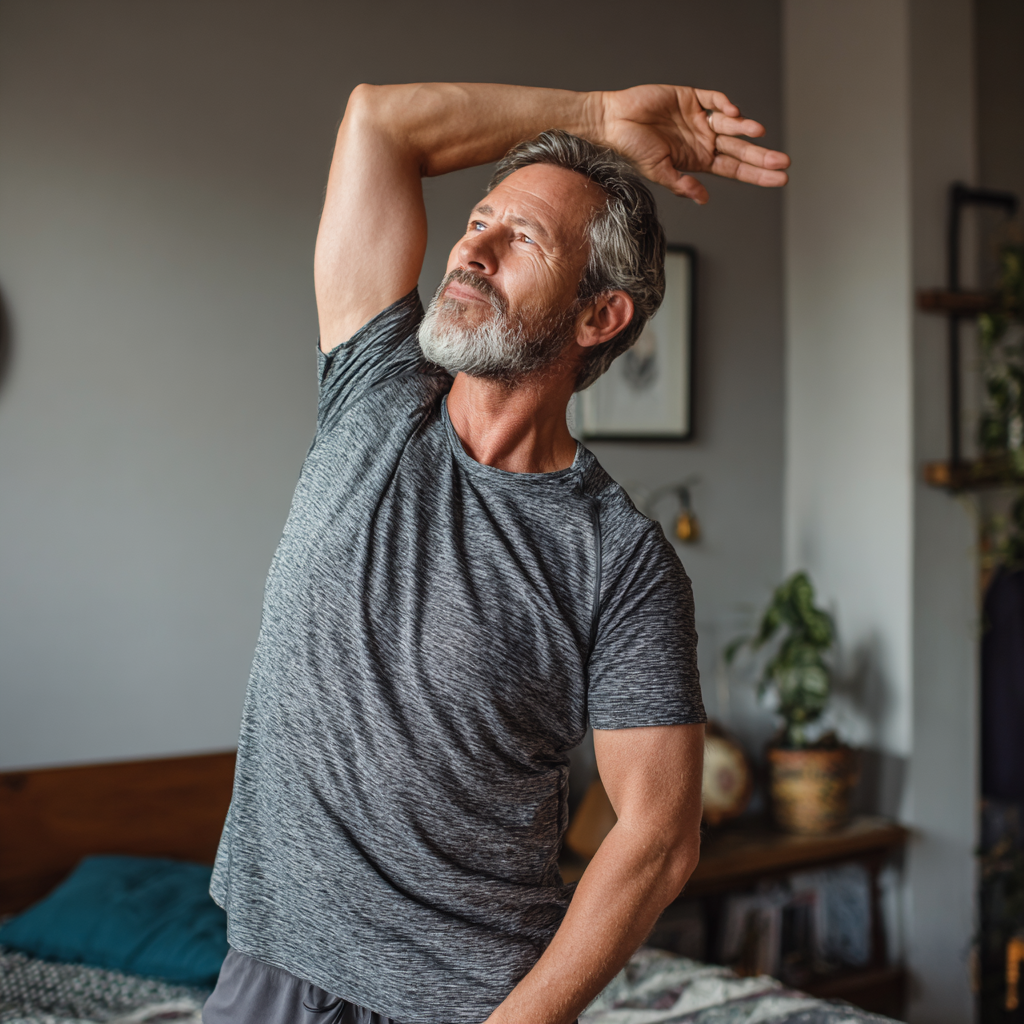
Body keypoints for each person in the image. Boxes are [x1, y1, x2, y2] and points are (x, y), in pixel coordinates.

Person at [203, 83, 790, 1024]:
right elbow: (380, 124)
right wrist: (598, 121)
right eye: (478, 221)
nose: (470, 249)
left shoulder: (621, 561)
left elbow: (658, 835)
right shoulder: (373, 393)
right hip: (269, 976)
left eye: (523, 239)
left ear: (600, 318)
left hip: (462, 1002)